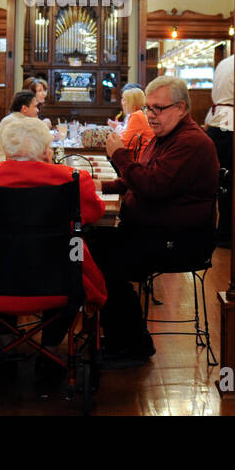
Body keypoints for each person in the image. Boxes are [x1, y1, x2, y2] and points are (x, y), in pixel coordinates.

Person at [0, 116, 107, 392]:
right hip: (59, 282)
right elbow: (95, 213)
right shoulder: (74, 181)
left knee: (3, 257)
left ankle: (6, 348)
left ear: (6, 150)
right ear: (45, 151)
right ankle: (50, 350)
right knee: (64, 261)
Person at [89, 75, 219, 367]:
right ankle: (122, 337)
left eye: (158, 109)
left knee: (101, 262)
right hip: (154, 232)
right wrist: (96, 185)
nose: (150, 115)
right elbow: (135, 180)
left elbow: (152, 186)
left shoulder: (192, 142)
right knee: (90, 247)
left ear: (182, 107)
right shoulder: (166, 138)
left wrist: (119, 155)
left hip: (180, 241)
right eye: (148, 108)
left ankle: (131, 345)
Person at [0, 90, 42, 166]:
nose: (37, 110)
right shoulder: (14, 123)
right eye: (35, 106)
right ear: (24, 108)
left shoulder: (18, 119)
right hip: (5, 169)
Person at [107, 86, 154, 153]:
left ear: (131, 102)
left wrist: (115, 130)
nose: (122, 103)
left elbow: (125, 144)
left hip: (139, 158)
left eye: (124, 100)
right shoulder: (142, 113)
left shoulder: (137, 116)